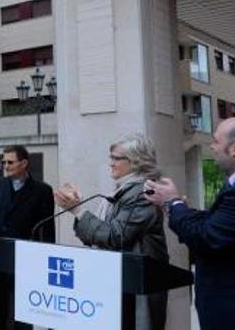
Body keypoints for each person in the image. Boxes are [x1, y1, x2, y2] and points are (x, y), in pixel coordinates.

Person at [145, 117, 235, 330]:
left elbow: (208, 237)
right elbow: (220, 223)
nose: (212, 146)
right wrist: (178, 209)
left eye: (216, 141)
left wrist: (173, 202)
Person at [55, 133, 168, 330]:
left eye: (116, 158)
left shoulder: (143, 193)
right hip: (119, 283)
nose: (111, 163)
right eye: (111, 157)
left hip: (136, 288)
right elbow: (104, 235)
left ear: (135, 161)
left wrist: (78, 211)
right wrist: (79, 212)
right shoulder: (123, 190)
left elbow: (115, 237)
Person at [0, 145, 54, 330]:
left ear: (24, 163)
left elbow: (47, 229)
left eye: (10, 162)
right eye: (3, 162)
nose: (5, 165)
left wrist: (44, 261)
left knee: (23, 312)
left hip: (27, 262)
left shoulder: (42, 190)